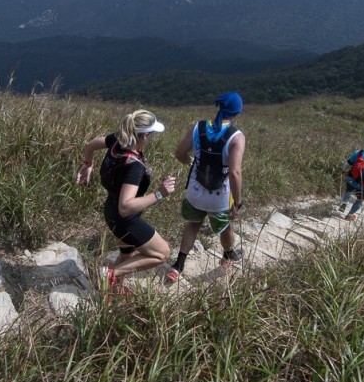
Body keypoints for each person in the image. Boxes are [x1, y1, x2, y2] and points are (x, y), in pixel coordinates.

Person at [76, 109, 176, 293]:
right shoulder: (134, 167)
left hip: (111, 212)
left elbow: (90, 145)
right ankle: (107, 273)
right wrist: (160, 194)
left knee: (127, 254)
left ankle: (112, 291)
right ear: (145, 135)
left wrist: (87, 164)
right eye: (151, 134)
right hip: (125, 220)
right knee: (162, 253)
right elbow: (125, 207)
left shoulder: (117, 140)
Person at [166, 92, 246, 284]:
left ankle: (178, 265)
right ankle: (228, 256)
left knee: (193, 223)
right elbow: (234, 173)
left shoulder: (198, 127)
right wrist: (238, 202)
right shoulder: (236, 136)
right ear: (237, 113)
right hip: (219, 196)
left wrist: (191, 161)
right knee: (225, 227)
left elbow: (179, 153)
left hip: (195, 190)